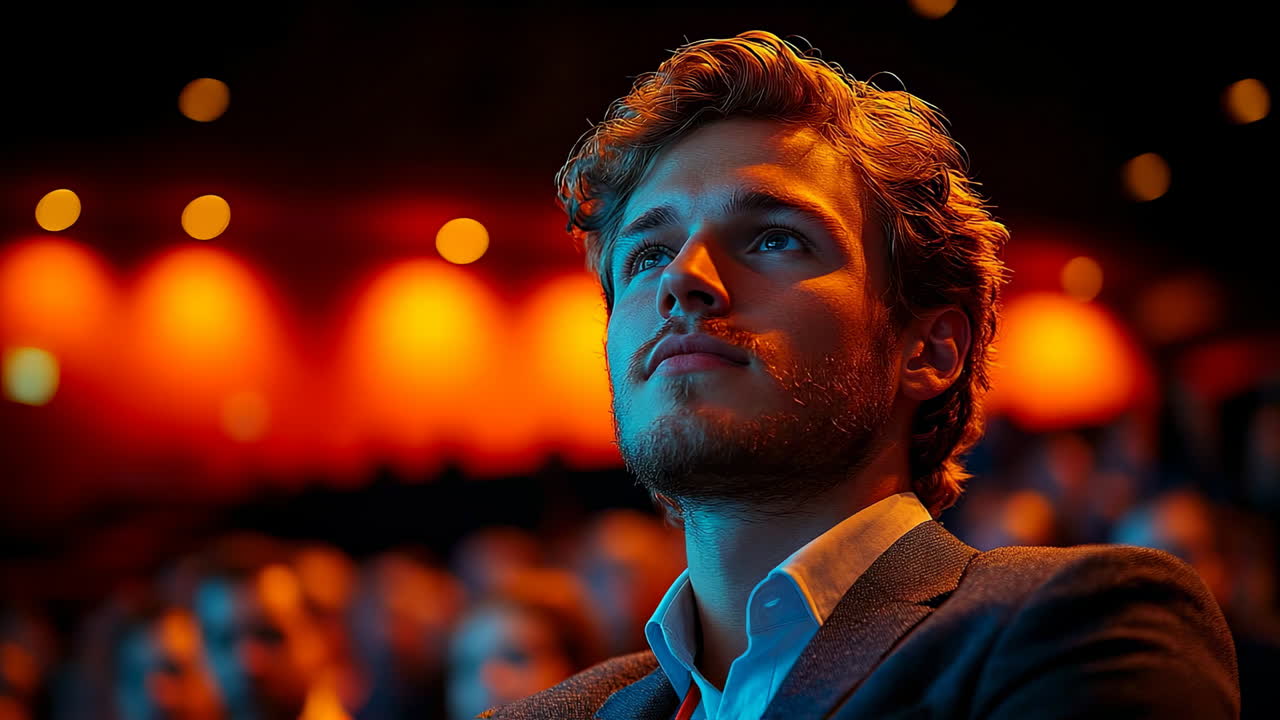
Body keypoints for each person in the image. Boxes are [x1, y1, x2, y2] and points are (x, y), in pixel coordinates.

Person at [480, 30, 1240, 719]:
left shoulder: (1072, 629)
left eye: (775, 238)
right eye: (647, 255)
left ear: (928, 350)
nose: (683, 279)